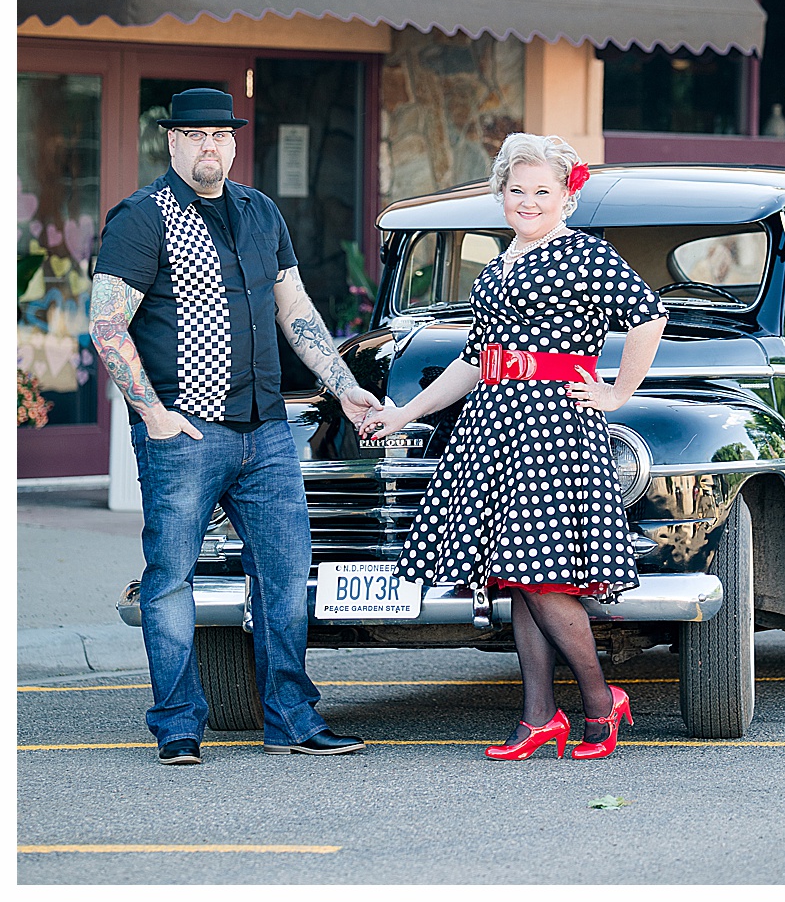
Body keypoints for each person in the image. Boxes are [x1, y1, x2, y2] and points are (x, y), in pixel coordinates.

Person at [89, 87, 376, 765]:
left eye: (220, 136)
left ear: (235, 144)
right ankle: (179, 724)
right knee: (170, 579)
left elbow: (294, 307)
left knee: (284, 575)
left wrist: (345, 387)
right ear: (171, 142)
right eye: (193, 135)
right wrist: (153, 414)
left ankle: (291, 719)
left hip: (267, 430)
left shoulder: (259, 212)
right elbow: (107, 323)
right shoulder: (142, 217)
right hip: (186, 433)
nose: (208, 146)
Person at [360, 133, 668, 760]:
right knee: (520, 579)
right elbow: (476, 361)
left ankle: (601, 702)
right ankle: (537, 716)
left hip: (555, 427)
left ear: (566, 196)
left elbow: (649, 315)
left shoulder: (584, 254)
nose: (528, 201)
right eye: (516, 190)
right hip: (494, 427)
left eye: (542, 192)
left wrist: (617, 393)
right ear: (501, 193)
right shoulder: (497, 266)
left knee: (545, 579)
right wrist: (405, 415)